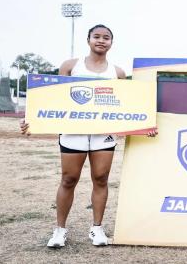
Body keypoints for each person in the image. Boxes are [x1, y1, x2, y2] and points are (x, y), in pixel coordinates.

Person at [20, 24, 157, 248]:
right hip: (74, 132)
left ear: (112, 43)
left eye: (106, 38)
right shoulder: (70, 66)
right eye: (97, 37)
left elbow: (127, 104)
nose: (101, 40)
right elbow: (52, 97)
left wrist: (145, 124)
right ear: (88, 40)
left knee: (101, 179)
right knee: (68, 179)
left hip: (103, 134)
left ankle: (97, 229)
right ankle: (60, 230)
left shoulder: (118, 72)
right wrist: (31, 120)